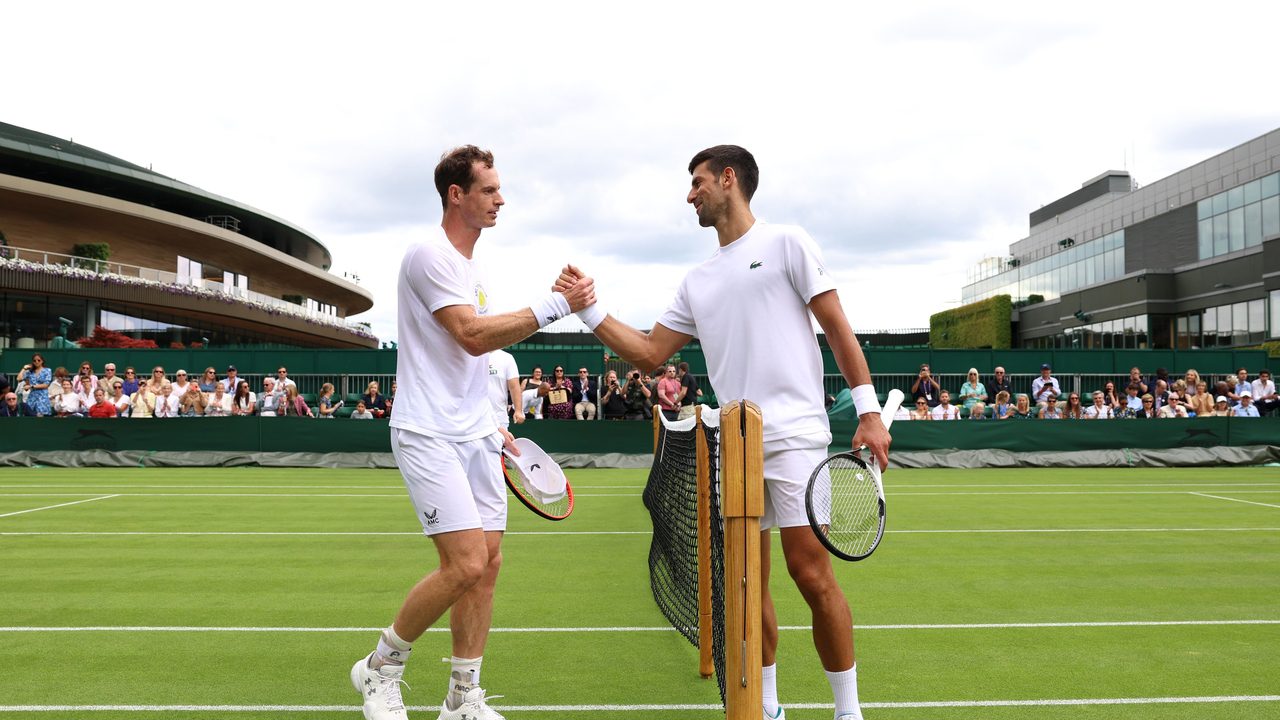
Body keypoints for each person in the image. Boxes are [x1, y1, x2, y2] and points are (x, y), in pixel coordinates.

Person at [556, 145, 888, 720]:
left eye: (697, 182)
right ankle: (766, 708)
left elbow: (837, 326)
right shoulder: (696, 280)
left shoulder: (788, 242)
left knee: (811, 574)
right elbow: (651, 352)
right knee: (745, 586)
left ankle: (848, 712)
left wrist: (869, 411)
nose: (690, 195)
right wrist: (588, 310)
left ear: (728, 180)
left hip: (797, 440)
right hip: (733, 447)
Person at [349, 144, 594, 720]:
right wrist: (556, 304)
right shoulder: (427, 255)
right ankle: (380, 669)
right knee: (462, 564)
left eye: (498, 189)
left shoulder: (469, 268)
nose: (500, 199)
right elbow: (473, 336)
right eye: (488, 190)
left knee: (488, 563)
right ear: (456, 194)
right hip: (428, 432)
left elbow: (472, 363)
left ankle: (462, 697)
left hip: (475, 433)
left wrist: (494, 426)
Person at [487, 349, 524, 428]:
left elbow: (514, 386)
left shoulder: (507, 358)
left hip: (499, 417)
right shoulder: (470, 356)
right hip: (473, 418)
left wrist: (518, 410)